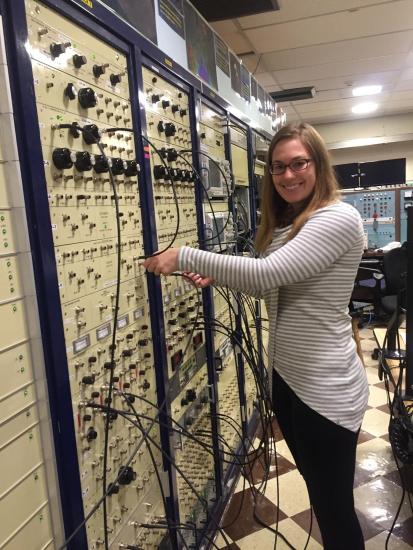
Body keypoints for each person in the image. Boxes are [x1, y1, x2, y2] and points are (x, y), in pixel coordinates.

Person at [143, 122, 368, 550]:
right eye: (278, 167)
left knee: (334, 507)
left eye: (298, 163)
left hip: (326, 390)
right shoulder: (285, 225)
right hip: (288, 380)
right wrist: (215, 274)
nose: (288, 176)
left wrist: (185, 256)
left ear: (318, 164)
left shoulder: (338, 217)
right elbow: (275, 286)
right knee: (322, 502)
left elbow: (269, 272)